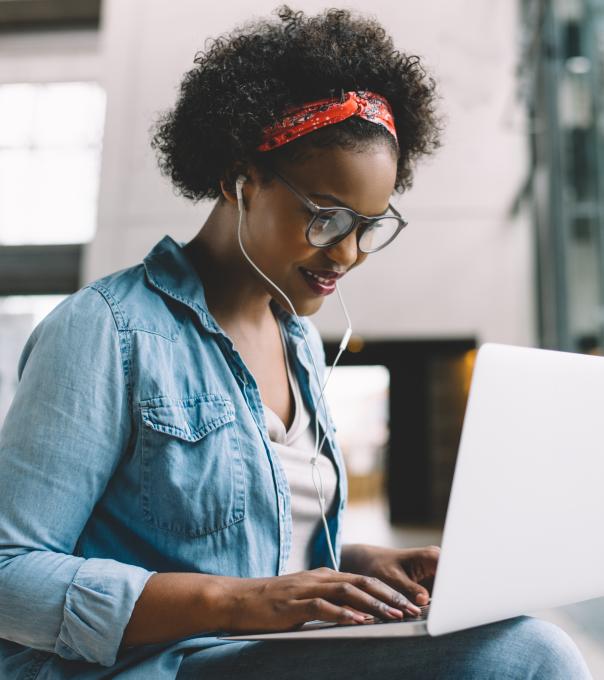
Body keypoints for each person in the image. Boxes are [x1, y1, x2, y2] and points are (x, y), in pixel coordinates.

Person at [0, 5, 593, 679]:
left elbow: (262, 547)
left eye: (369, 226)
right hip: (156, 666)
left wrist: (363, 567)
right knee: (526, 658)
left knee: (512, 633)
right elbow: (9, 574)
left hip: (261, 657)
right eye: (324, 217)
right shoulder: (105, 330)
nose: (348, 253)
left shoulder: (299, 344)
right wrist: (235, 603)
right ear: (237, 180)